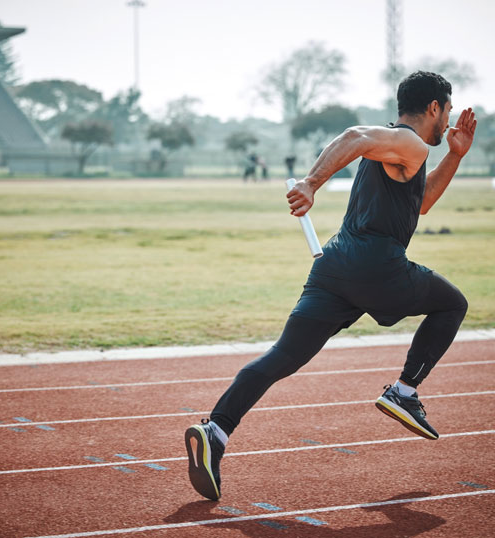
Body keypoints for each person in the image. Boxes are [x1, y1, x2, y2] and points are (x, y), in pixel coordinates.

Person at [185, 71, 477, 501]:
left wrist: (455, 155)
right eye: (448, 110)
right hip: (376, 265)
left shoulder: (402, 152)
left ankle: (216, 432)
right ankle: (404, 392)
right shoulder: (408, 142)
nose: (448, 119)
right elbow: (354, 134)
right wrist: (310, 183)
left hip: (334, 265)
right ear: (434, 107)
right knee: (453, 304)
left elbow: (422, 204)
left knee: (282, 356)